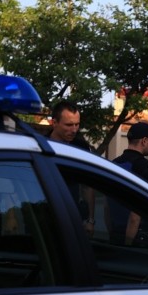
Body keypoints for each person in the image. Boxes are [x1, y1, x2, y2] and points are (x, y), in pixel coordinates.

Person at [48, 100, 96, 235]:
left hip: (73, 219)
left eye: (77, 124)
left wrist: (90, 220)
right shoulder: (40, 145)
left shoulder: (81, 147)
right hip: (45, 218)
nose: (74, 130)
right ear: (54, 123)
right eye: (69, 125)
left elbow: (87, 186)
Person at [109, 122, 148, 245]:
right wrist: (128, 243)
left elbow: (107, 205)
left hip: (114, 233)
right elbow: (135, 215)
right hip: (133, 237)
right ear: (144, 141)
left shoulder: (114, 164)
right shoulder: (144, 167)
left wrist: (111, 232)